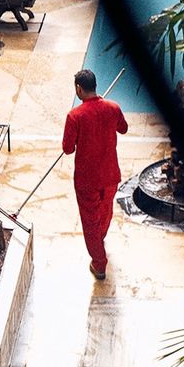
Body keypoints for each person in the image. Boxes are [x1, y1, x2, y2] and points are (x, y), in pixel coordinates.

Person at [62, 67, 128, 281]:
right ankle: (99, 241)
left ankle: (99, 264)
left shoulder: (75, 116)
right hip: (110, 175)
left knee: (90, 221)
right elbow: (123, 128)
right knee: (105, 213)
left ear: (79, 89)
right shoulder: (113, 107)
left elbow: (67, 149)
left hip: (87, 180)